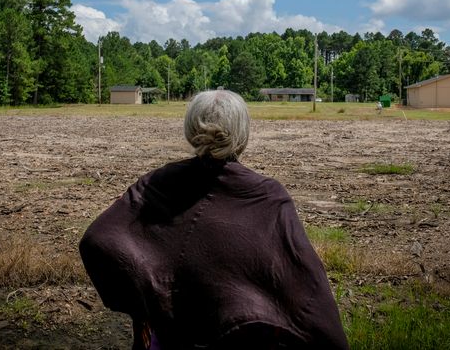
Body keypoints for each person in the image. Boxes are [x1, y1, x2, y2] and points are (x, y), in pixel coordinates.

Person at [79, 90, 349, 349]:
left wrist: (144, 299)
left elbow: (98, 239)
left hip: (169, 338)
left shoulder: (156, 183)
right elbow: (306, 285)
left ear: (190, 132)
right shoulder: (266, 195)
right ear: (242, 136)